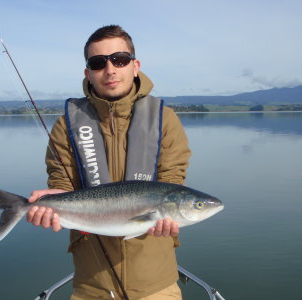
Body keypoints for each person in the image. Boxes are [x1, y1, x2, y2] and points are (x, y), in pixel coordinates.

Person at [27, 25, 191, 300]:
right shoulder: (67, 123)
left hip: (157, 283)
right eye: (98, 63)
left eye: (120, 59)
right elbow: (61, 183)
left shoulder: (165, 119)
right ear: (87, 73)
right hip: (91, 285)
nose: (110, 69)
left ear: (135, 65)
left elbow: (171, 183)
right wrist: (52, 202)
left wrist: (167, 215)